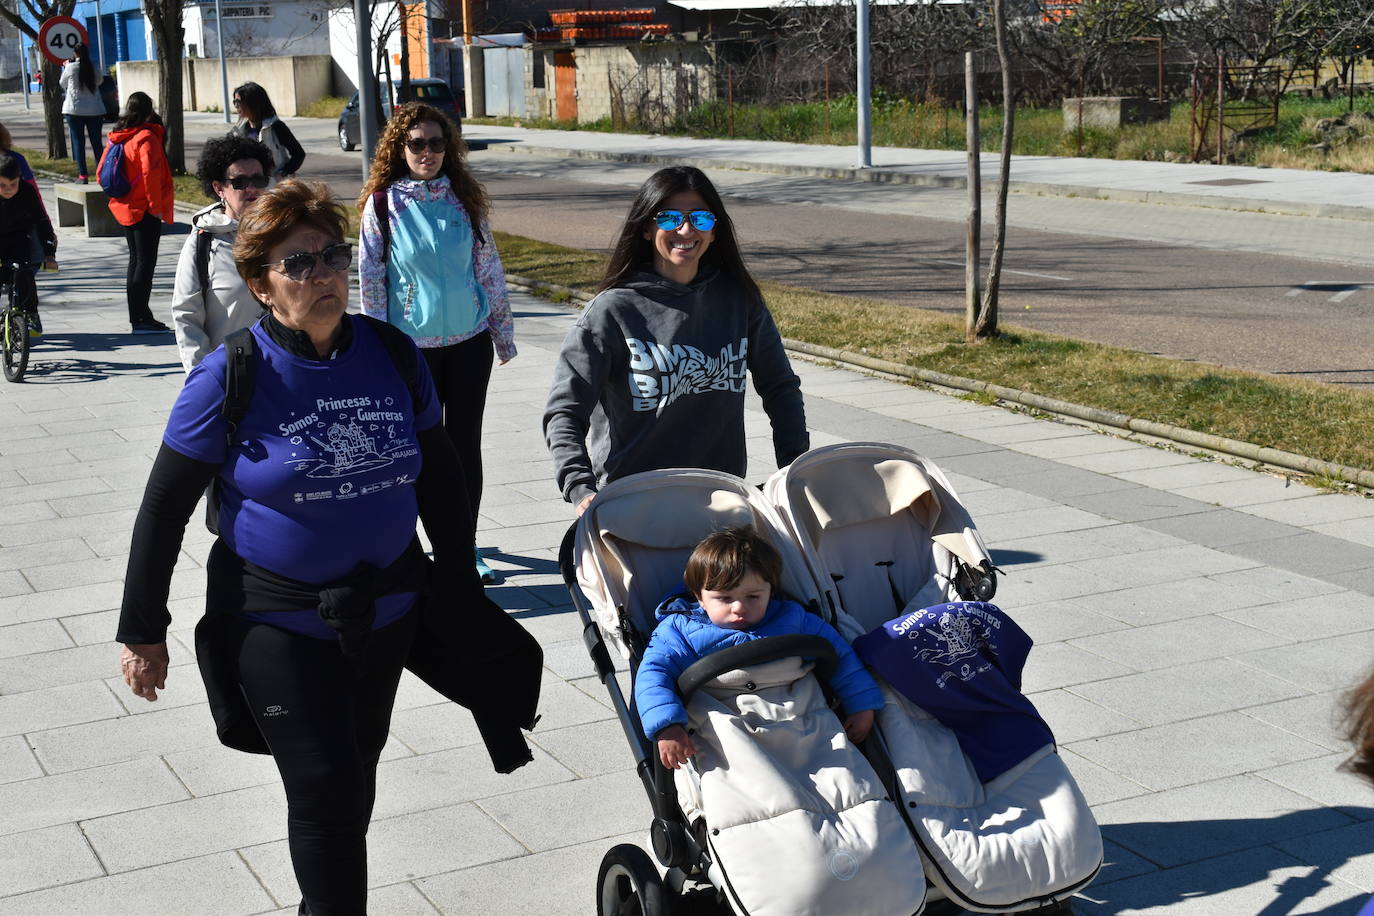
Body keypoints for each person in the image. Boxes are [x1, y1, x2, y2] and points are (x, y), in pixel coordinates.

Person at [116, 180, 540, 916]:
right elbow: (163, 507)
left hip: (388, 614)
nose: (323, 277)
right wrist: (141, 631)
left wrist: (461, 583)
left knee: (356, 772)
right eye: (298, 265)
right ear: (260, 285)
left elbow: (440, 474)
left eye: (331, 258)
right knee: (326, 788)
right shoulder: (229, 375)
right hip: (277, 620)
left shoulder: (392, 353)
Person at [543, 165, 809, 517]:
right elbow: (565, 409)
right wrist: (579, 486)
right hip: (632, 500)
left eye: (700, 218)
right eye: (669, 218)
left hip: (720, 496)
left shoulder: (738, 301)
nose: (686, 229)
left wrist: (794, 471)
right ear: (647, 228)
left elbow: (781, 388)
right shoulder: (612, 311)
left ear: (715, 231)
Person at [358, 101, 515, 584]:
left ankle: (463, 548)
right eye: (417, 144)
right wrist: (378, 344)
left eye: (436, 143)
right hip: (412, 349)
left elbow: (488, 268)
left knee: (465, 446)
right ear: (399, 148)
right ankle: (422, 543)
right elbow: (371, 278)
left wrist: (502, 334)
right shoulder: (384, 203)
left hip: (468, 345)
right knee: (420, 448)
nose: (427, 152)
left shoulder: (463, 199)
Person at [635, 526, 881, 770]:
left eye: (753, 597)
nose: (739, 607)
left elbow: (840, 654)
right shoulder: (679, 631)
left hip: (800, 720)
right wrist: (667, 725)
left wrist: (861, 703)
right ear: (699, 597)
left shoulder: (793, 618)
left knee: (843, 775)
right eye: (724, 598)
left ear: (770, 593)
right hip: (727, 722)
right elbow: (653, 674)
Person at [171, 134, 272, 372]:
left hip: (285, 372)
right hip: (231, 376)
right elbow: (186, 316)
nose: (251, 189)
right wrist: (204, 378)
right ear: (219, 188)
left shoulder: (282, 235)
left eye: (258, 179)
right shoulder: (202, 242)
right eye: (239, 182)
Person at [104, 91, 174, 334]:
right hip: (144, 208)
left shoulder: (119, 136)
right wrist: (156, 209)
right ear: (148, 109)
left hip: (125, 205)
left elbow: (102, 170)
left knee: (136, 261)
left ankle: (140, 315)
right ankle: (141, 318)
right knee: (145, 263)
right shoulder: (146, 138)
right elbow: (150, 175)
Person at [0, 153, 58, 336]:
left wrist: (49, 254)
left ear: (19, 179)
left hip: (19, 239)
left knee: (24, 274)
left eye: (13, 184)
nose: (8, 189)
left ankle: (30, 313)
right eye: (2, 185)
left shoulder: (26, 191)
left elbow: (41, 222)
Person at [230, 81, 305, 181]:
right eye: (234, 102)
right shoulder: (239, 130)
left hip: (274, 186)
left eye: (239, 101)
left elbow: (298, 154)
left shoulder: (275, 126)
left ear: (253, 103)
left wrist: (283, 173)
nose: (236, 105)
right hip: (250, 186)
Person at [59, 44, 105, 184]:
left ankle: (83, 176)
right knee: (97, 143)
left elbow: (62, 83)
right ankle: (101, 175)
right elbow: (100, 81)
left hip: (74, 110)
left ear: (74, 53)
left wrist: (66, 66)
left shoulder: (71, 67)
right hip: (95, 110)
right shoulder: (94, 67)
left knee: (79, 142)